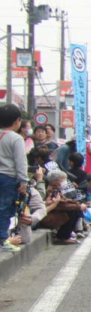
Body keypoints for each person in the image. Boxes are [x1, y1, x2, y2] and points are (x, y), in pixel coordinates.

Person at [0, 104, 28, 252]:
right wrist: (23, 182)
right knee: (5, 209)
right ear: (17, 121)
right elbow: (21, 161)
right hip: (8, 178)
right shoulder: (16, 138)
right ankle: (2, 240)